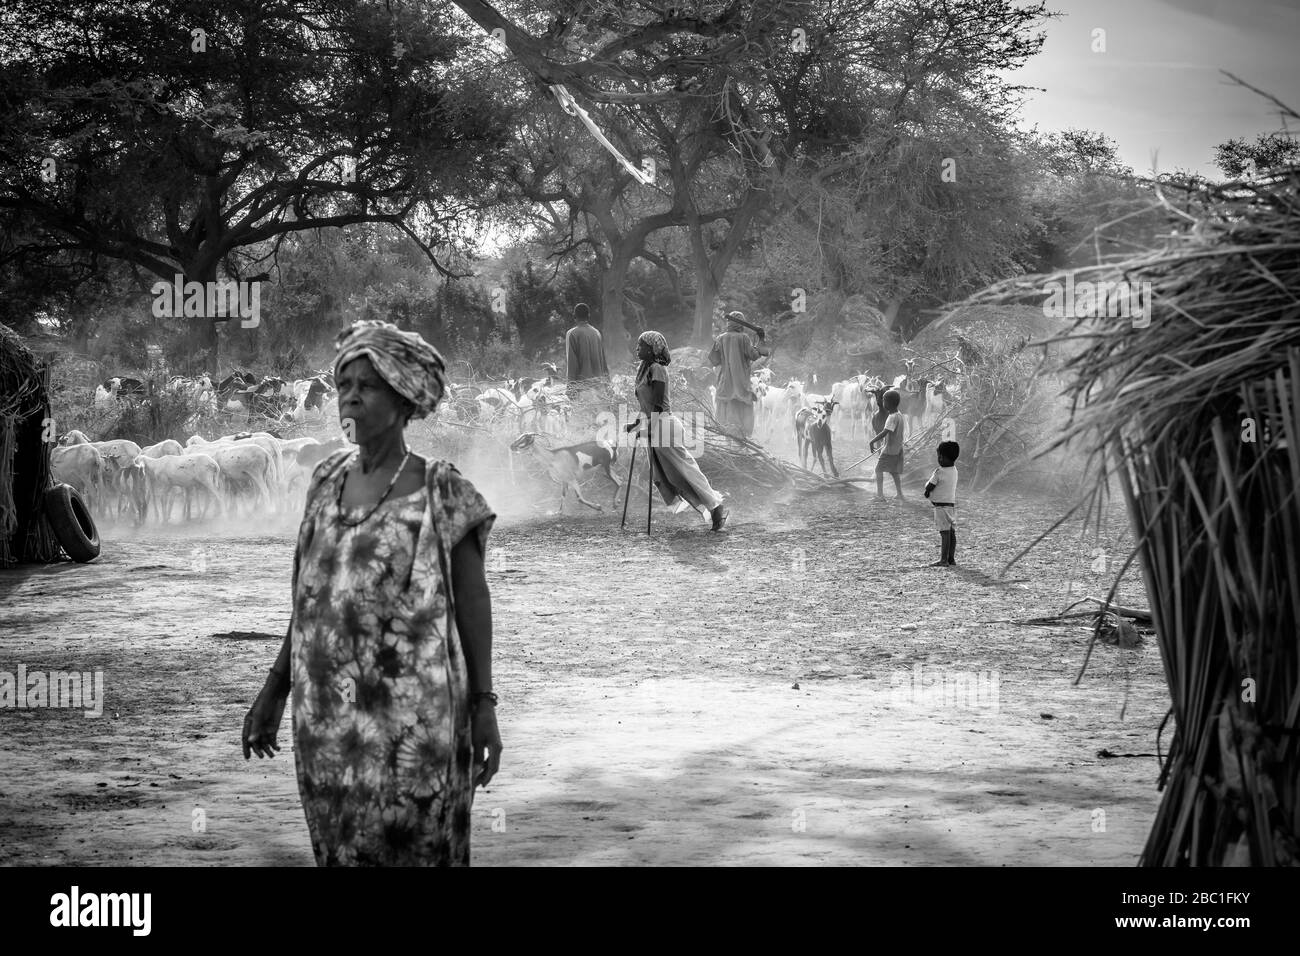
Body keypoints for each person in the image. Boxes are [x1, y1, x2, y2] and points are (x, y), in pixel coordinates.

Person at [242, 319, 502, 867]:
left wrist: (484, 706)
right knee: (342, 850)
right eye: (344, 385)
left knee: (418, 847)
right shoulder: (325, 478)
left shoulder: (443, 488)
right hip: (328, 722)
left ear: (405, 396)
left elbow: (475, 602)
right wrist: (275, 687)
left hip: (419, 722)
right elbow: (309, 597)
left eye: (369, 384)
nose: (352, 396)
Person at [629, 330, 729, 531]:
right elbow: (645, 406)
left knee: (685, 469)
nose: (637, 349)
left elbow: (657, 405)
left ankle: (716, 506)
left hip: (664, 425)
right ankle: (709, 508)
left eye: (641, 346)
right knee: (671, 477)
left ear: (652, 348)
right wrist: (636, 425)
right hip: (655, 426)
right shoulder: (644, 369)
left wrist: (648, 429)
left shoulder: (657, 369)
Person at [708, 311, 771, 437]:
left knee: (724, 424)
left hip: (725, 385)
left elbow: (714, 360)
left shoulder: (720, 338)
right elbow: (755, 355)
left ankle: (725, 444)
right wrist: (761, 339)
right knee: (743, 425)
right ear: (740, 324)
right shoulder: (744, 338)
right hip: (741, 386)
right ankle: (742, 442)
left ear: (729, 323)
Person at [924, 440, 960, 566]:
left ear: (943, 457)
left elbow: (930, 485)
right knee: (951, 532)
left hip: (940, 507)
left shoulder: (939, 471)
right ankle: (951, 558)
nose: (938, 459)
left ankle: (943, 560)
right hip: (951, 506)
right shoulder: (954, 470)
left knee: (944, 533)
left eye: (939, 456)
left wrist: (927, 491)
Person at [565, 303, 609, 402]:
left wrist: (570, 390)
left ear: (574, 316)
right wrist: (607, 384)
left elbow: (572, 364)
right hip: (599, 389)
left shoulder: (572, 334)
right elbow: (603, 362)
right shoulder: (597, 333)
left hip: (583, 390)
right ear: (589, 316)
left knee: (583, 417)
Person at [868, 389, 906, 499]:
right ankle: (900, 494)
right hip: (898, 449)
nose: (882, 402)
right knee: (894, 472)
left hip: (889, 450)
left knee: (878, 470)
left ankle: (880, 495)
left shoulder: (891, 417)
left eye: (883, 400)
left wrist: (872, 441)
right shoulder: (899, 415)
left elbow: (885, 432)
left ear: (889, 403)